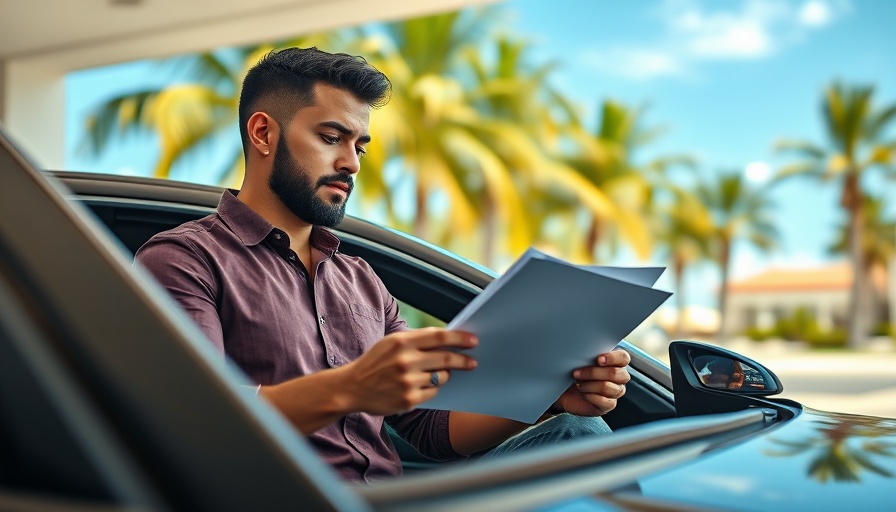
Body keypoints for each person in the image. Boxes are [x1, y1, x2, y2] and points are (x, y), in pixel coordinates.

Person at [135, 47, 631, 483]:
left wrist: (550, 394)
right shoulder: (184, 260)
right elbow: (198, 425)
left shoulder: (361, 281)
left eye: (360, 146)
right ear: (263, 133)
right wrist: (350, 387)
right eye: (332, 137)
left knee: (578, 429)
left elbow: (433, 430)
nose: (352, 162)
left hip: (398, 500)